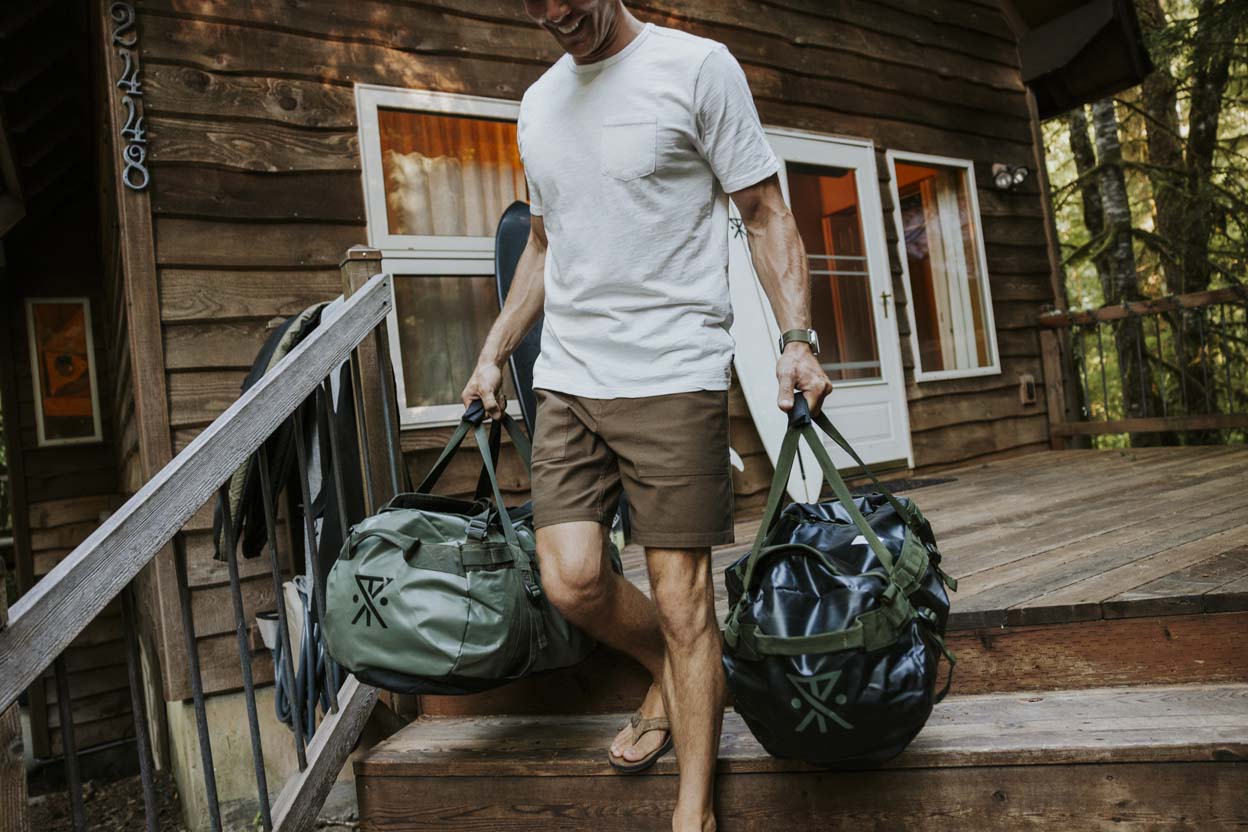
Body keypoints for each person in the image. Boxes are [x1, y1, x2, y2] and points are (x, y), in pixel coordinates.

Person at [461, 2, 833, 829]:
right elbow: (544, 246)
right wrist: (493, 352)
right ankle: (673, 668)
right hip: (569, 378)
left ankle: (693, 809)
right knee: (571, 577)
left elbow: (766, 211)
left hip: (672, 373)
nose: (557, 12)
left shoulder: (696, 69)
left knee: (682, 599)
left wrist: (796, 339)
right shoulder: (540, 104)